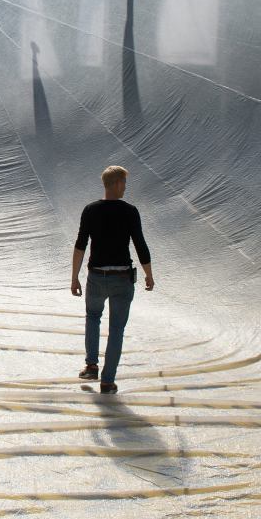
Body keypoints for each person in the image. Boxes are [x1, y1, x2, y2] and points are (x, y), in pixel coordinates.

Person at [71, 165, 154, 393]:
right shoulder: (130, 211)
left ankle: (91, 365)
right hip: (121, 278)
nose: (125, 187)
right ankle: (107, 381)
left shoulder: (90, 210)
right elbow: (140, 244)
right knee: (116, 329)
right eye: (124, 183)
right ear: (116, 183)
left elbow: (80, 245)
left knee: (93, 317)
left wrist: (74, 277)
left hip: (97, 276)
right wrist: (149, 274)